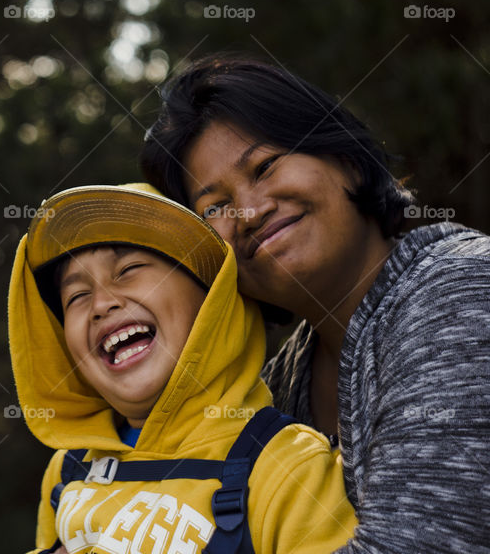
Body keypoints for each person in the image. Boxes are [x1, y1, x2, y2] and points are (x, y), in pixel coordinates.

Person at [140, 54, 490, 552]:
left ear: (342, 156)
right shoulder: (274, 387)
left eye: (264, 166)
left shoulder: (460, 290)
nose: (250, 212)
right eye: (214, 207)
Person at [8, 183, 356, 554]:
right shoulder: (67, 471)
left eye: (129, 269)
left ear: (212, 298)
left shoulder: (289, 468)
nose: (102, 303)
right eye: (76, 296)